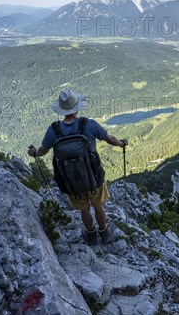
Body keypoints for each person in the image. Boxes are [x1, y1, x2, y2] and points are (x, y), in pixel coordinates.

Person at [28, 89, 127, 245]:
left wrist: (33, 153)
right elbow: (110, 139)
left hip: (71, 180)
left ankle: (91, 235)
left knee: (84, 209)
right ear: (77, 107)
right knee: (98, 204)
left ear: (61, 110)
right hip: (93, 176)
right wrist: (122, 143)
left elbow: (42, 151)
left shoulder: (53, 130)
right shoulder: (89, 125)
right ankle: (105, 233)